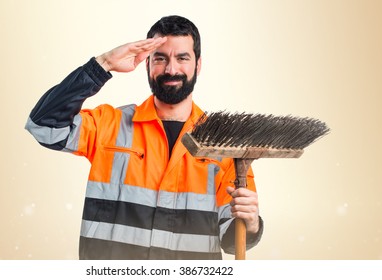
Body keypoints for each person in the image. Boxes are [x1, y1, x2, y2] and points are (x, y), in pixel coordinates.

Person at [25, 15, 263, 260]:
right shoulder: (111, 125)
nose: (171, 69)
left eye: (182, 58)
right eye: (160, 58)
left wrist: (251, 222)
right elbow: (43, 125)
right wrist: (103, 64)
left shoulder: (224, 146)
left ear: (198, 64)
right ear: (147, 64)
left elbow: (231, 240)